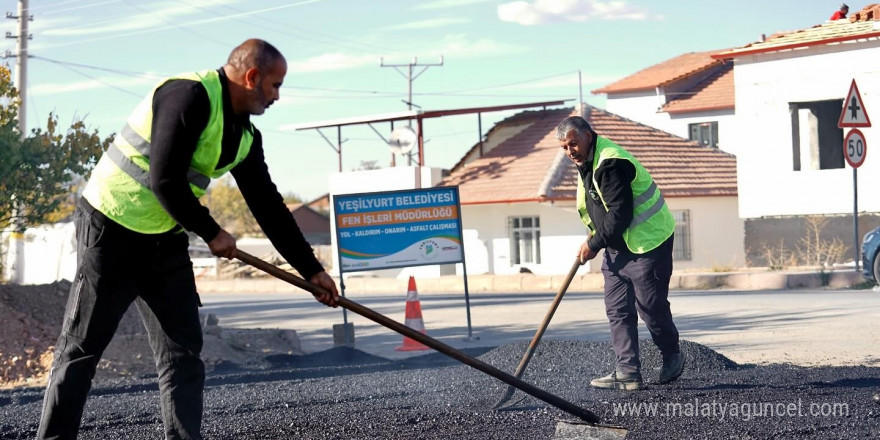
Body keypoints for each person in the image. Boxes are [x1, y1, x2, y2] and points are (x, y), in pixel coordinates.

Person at [37, 39, 339, 440]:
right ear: (252, 77)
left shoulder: (246, 138)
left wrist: (312, 270)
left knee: (183, 356)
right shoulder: (187, 96)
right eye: (275, 85)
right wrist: (212, 232)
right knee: (81, 352)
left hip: (164, 239)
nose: (277, 96)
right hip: (111, 230)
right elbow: (163, 179)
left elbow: (270, 209)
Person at [556, 116, 683, 391]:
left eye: (573, 144)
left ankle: (672, 353)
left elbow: (620, 214)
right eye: (564, 147)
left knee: (650, 306)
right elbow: (599, 207)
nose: (569, 151)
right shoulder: (585, 163)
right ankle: (627, 372)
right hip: (616, 246)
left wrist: (593, 243)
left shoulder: (611, 162)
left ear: (588, 136)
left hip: (648, 243)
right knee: (617, 310)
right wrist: (597, 238)